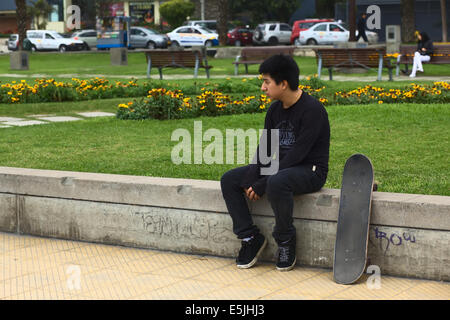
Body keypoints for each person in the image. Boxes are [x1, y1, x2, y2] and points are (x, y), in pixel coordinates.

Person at [220, 54, 330, 272]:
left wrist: (264, 183)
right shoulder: (275, 110)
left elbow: (298, 155)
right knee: (230, 179)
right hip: (283, 168)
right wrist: (252, 176)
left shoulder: (313, 110)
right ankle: (250, 237)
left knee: (277, 182)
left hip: (311, 171)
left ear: (283, 83)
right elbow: (265, 150)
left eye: (267, 82)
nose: (263, 87)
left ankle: (286, 240)